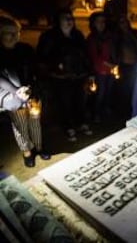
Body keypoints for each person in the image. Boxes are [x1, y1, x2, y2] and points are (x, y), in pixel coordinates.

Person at [0, 15, 50, 167]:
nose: (14, 36)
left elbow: (37, 69)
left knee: (35, 121)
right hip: (12, 98)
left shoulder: (26, 49)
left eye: (17, 32)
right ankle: (27, 151)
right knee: (20, 126)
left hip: (32, 93)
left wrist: (33, 87)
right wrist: (16, 91)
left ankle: (39, 147)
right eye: (9, 33)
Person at [37, 9, 92, 142]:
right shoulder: (49, 36)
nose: (69, 21)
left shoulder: (77, 35)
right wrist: (56, 66)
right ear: (58, 21)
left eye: (70, 18)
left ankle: (80, 123)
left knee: (79, 100)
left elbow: (85, 54)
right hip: (60, 77)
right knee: (64, 103)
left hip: (78, 75)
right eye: (65, 18)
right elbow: (42, 56)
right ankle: (68, 127)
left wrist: (88, 72)